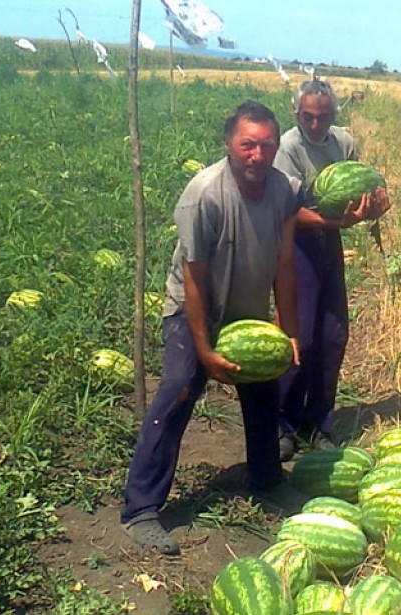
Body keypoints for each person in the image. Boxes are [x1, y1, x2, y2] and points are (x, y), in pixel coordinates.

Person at [121, 100, 302, 555]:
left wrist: (290, 329)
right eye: (248, 145)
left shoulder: (281, 190)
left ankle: (265, 479)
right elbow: (194, 278)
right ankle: (141, 509)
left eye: (267, 146)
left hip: (245, 308)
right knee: (179, 388)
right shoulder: (204, 194)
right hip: (194, 307)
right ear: (228, 145)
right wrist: (202, 349)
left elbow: (283, 263)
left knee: (264, 392)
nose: (257, 155)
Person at [272, 79, 390, 456]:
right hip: (297, 242)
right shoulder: (289, 147)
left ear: (334, 116)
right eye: (308, 117)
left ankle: (318, 422)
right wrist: (336, 223)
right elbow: (288, 210)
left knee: (333, 334)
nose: (316, 125)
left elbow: (357, 190)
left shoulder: (343, 143)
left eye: (323, 118)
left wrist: (371, 207)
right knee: (299, 336)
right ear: (297, 114)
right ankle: (282, 424)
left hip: (328, 241)